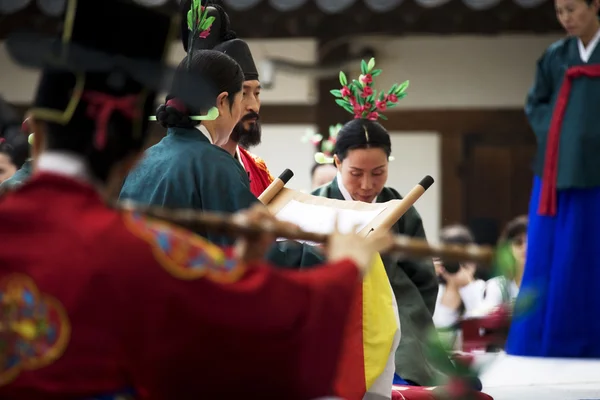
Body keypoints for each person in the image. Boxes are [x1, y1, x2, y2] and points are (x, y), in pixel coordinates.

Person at [0, 1, 393, 398]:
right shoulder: (144, 248)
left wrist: (246, 250)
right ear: (132, 156)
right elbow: (266, 306)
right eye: (244, 96)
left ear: (40, 135)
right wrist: (346, 264)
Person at [312, 59, 446, 388]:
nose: (368, 185)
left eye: (378, 172)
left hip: (398, 322)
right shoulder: (314, 205)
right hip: (333, 324)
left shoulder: (401, 207)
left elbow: (425, 279)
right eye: (356, 174)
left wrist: (414, 324)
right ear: (337, 162)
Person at [505, 0, 600, 358]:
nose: (566, 18)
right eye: (560, 11)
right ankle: (547, 338)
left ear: (595, 5)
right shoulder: (556, 55)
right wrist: (567, 136)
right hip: (559, 169)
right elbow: (537, 104)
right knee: (553, 252)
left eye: (573, 9)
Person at [119, 48, 260, 246]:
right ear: (222, 102)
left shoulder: (142, 161)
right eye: (241, 99)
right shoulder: (215, 164)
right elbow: (256, 244)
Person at [181, 2, 273, 196]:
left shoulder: (258, 169)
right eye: (243, 93)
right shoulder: (186, 166)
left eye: (257, 93)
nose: (253, 106)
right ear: (220, 100)